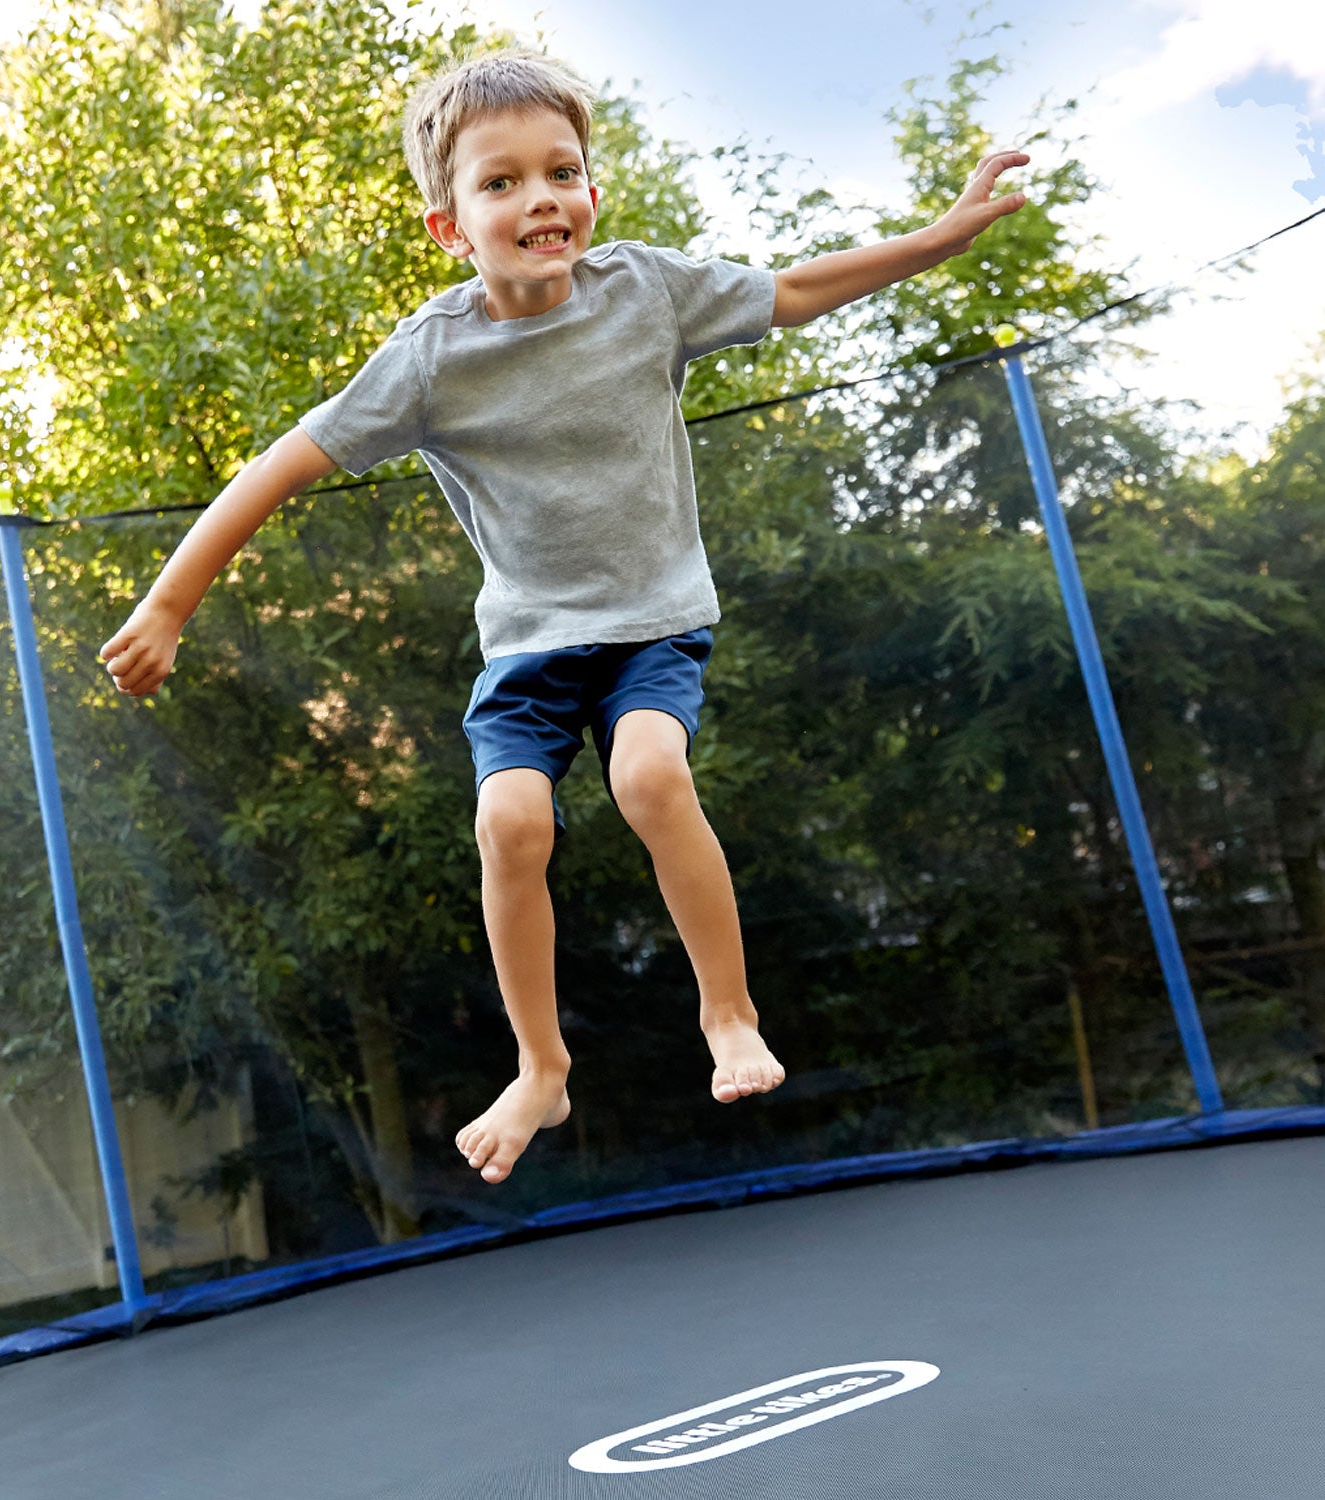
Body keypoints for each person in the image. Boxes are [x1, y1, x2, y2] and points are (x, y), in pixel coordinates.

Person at [101, 49, 1027, 1185]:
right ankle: (541, 1068)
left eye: (561, 172)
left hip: (652, 625)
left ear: (590, 189)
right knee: (508, 826)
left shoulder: (646, 291)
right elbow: (279, 467)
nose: (540, 198)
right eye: (501, 183)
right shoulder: (430, 359)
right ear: (450, 227)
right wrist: (169, 605)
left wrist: (940, 238)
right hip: (532, 647)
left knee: (650, 777)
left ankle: (727, 1012)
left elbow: (794, 292)